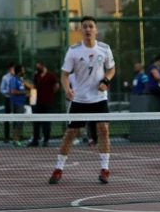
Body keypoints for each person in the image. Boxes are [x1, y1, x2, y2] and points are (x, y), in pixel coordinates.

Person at [49, 16, 115, 185]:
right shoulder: (74, 51)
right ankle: (58, 169)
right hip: (79, 100)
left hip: (99, 99)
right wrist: (67, 89)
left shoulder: (105, 49)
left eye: (90, 26)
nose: (87, 29)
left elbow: (111, 68)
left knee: (104, 131)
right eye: (84, 27)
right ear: (80, 31)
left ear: (96, 30)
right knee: (70, 134)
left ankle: (105, 169)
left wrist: (106, 81)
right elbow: (64, 74)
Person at [29, 61, 59, 147]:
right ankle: (36, 140)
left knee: (46, 122)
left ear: (43, 66)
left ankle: (46, 140)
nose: (37, 68)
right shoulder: (36, 76)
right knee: (36, 122)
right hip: (37, 103)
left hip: (48, 102)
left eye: (38, 67)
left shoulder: (51, 75)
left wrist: (50, 93)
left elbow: (56, 86)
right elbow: (34, 87)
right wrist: (32, 101)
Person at [9, 63, 33, 146]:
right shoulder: (13, 79)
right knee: (17, 122)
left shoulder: (20, 80)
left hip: (21, 103)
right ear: (19, 71)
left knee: (20, 122)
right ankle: (15, 140)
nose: (24, 71)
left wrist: (27, 94)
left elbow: (21, 91)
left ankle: (17, 139)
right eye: (23, 69)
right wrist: (24, 92)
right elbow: (12, 91)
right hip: (16, 103)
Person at [0, 63, 15, 143]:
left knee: (18, 118)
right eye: (12, 68)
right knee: (7, 119)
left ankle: (17, 137)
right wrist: (8, 92)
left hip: (17, 100)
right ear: (9, 69)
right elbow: (1, 89)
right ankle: (6, 137)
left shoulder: (18, 77)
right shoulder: (5, 77)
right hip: (8, 99)